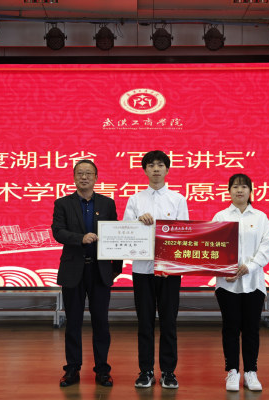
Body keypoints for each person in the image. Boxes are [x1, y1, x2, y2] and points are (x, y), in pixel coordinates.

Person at [51, 159, 123, 388]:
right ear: (74, 177)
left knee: (101, 322)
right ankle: (72, 369)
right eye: (80, 173)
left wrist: (116, 268)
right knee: (73, 322)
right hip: (73, 270)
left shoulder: (107, 203)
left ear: (96, 177)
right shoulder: (63, 203)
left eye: (88, 173)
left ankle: (102, 370)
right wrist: (80, 238)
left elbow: (117, 235)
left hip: (100, 271)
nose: (84, 177)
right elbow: (58, 232)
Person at [123, 150, 189, 389]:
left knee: (169, 322)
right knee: (145, 323)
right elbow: (125, 232)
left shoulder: (178, 199)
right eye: (151, 165)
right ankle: (146, 371)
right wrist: (137, 222)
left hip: (169, 271)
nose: (156, 169)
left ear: (167, 169)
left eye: (160, 165)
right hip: (142, 270)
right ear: (145, 170)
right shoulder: (135, 200)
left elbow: (184, 233)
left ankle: (169, 372)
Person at [212, 173, 269, 392]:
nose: (239, 190)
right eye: (235, 186)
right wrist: (224, 270)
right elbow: (213, 247)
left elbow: (266, 247)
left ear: (250, 191)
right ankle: (232, 371)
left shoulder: (261, 217)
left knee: (251, 329)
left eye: (244, 187)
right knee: (230, 328)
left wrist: (250, 267)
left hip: (254, 283)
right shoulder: (220, 216)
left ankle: (250, 372)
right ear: (229, 191)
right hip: (227, 284)